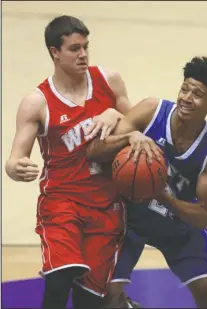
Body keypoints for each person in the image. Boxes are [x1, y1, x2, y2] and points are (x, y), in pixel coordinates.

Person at [5, 15, 158, 309]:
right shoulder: (37, 101)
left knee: (90, 300)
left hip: (107, 205)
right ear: (55, 52)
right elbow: (16, 157)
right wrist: (14, 167)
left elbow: (137, 124)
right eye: (75, 49)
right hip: (62, 202)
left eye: (86, 46)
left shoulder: (108, 81)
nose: (83, 54)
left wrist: (117, 117)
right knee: (59, 279)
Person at [85, 56, 207, 308]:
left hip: (176, 226)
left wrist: (161, 196)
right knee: (108, 294)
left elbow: (203, 216)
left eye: (197, 94)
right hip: (129, 219)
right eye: (185, 88)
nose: (187, 98)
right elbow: (94, 152)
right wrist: (129, 137)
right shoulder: (151, 111)